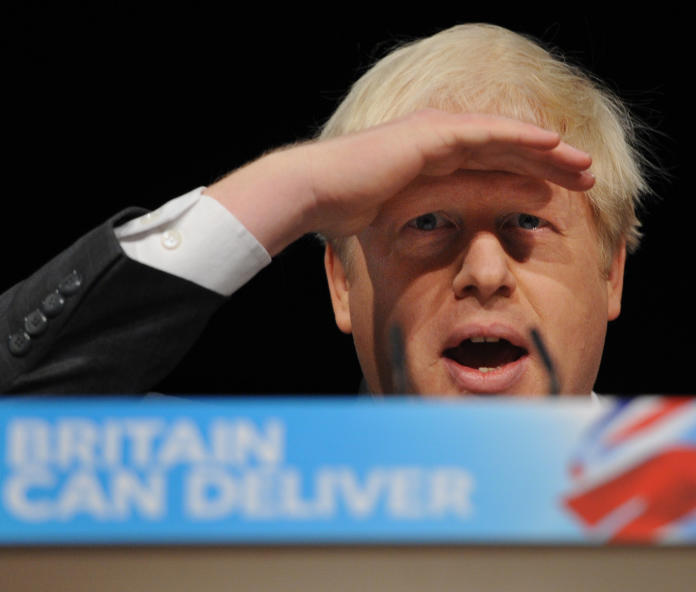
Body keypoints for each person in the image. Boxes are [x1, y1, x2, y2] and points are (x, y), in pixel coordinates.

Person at [0, 24, 651, 395]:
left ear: (611, 273)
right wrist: (297, 185)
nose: (484, 271)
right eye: (427, 223)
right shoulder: (214, 491)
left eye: (526, 223)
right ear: (343, 283)